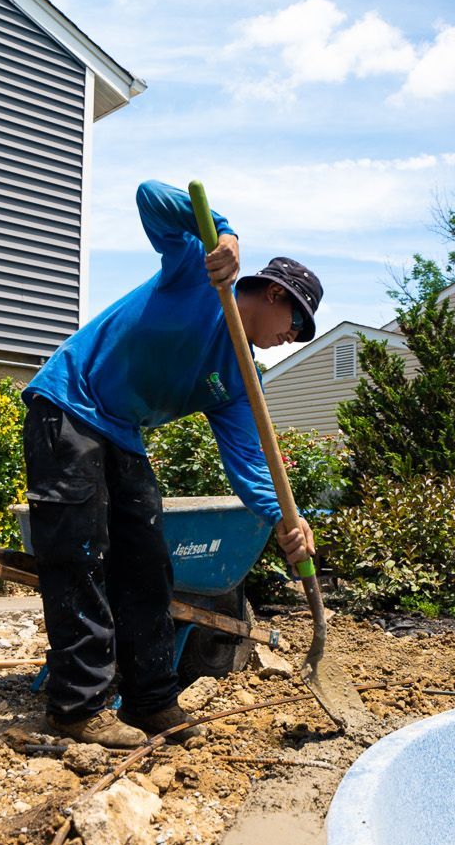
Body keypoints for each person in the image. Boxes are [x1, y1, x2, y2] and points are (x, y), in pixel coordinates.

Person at [22, 180, 323, 749]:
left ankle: (151, 701)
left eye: (302, 335)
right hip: (68, 404)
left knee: (148, 564)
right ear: (273, 294)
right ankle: (76, 708)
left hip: (122, 431)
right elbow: (149, 197)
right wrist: (226, 232)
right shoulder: (199, 270)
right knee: (79, 555)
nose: (293, 339)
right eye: (296, 323)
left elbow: (250, 466)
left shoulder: (240, 379)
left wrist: (288, 520)